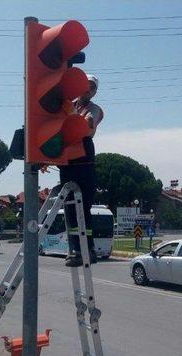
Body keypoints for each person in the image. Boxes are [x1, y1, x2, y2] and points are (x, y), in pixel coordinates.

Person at [58, 74, 104, 267]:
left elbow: (87, 126)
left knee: (83, 207)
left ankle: (87, 249)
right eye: (86, 86)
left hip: (84, 158)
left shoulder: (94, 109)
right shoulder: (70, 104)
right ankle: (75, 248)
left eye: (92, 88)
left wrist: (71, 114)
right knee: (69, 206)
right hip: (67, 157)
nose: (88, 90)